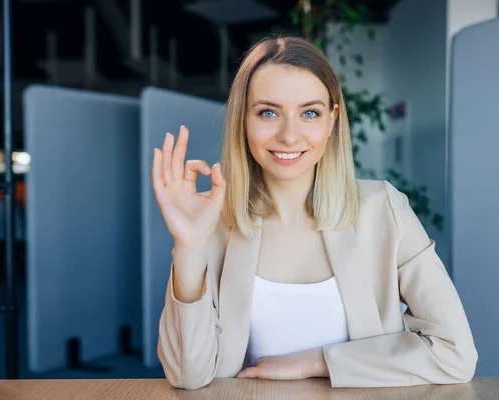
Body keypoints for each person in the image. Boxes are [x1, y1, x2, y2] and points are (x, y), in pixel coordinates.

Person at [152, 36, 477, 390]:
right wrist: (187, 247)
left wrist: (317, 361)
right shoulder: (213, 222)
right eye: (268, 112)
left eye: (309, 113)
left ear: (332, 120)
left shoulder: (383, 210)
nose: (290, 136)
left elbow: (455, 353)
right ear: (242, 120)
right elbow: (187, 375)